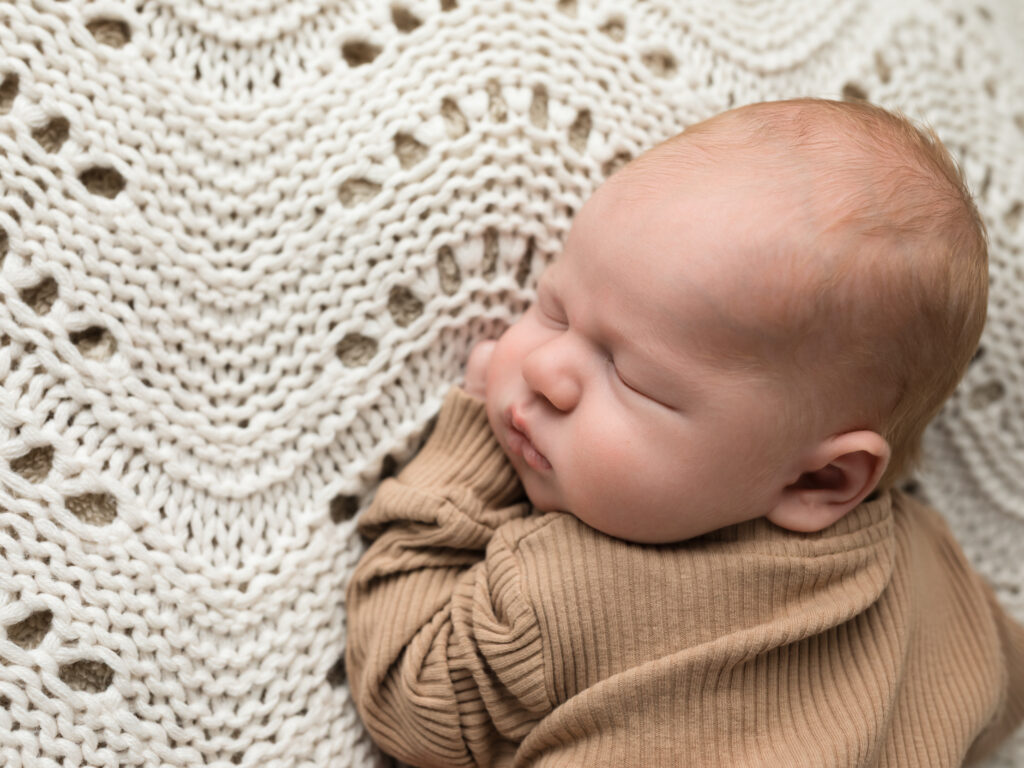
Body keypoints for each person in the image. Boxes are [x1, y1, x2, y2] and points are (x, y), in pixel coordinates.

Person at [344, 97, 1024, 767]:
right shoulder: (945, 582)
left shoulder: (554, 596)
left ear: (819, 479)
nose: (547, 370)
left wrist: (471, 450)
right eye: (553, 307)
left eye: (633, 379)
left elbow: (406, 691)